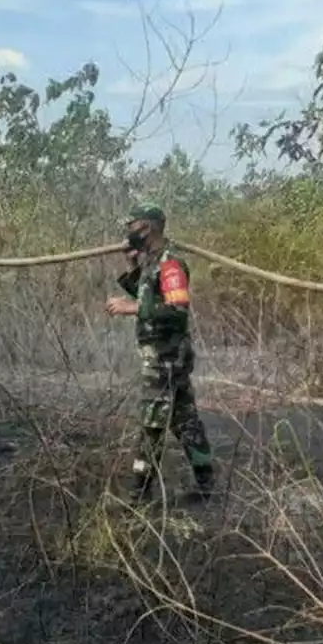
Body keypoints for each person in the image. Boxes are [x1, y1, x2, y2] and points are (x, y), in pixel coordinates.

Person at [105, 204, 216, 503]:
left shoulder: (170, 264)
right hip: (165, 359)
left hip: (166, 360)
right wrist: (132, 267)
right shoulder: (152, 261)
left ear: (149, 228)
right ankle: (207, 485)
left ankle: (139, 495)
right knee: (185, 421)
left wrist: (131, 309)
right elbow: (148, 294)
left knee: (152, 424)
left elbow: (177, 308)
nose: (129, 232)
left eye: (133, 225)